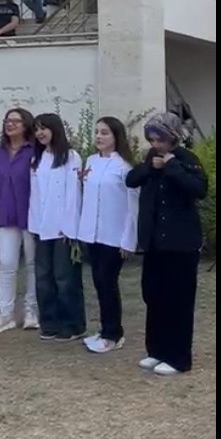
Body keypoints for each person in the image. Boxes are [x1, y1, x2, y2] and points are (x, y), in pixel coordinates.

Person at [126, 112, 208, 376]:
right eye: (151, 139)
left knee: (178, 301)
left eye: (159, 139)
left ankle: (179, 358)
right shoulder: (151, 159)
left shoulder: (186, 159)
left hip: (180, 244)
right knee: (154, 296)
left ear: (172, 138)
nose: (155, 144)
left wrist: (172, 166)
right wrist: (151, 167)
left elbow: (199, 189)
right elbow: (131, 179)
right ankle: (157, 351)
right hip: (154, 244)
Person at [78, 117, 139, 354]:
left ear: (116, 136)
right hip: (93, 234)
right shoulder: (91, 161)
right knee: (98, 283)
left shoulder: (124, 167)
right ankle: (105, 329)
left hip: (115, 236)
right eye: (96, 132)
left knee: (107, 282)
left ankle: (113, 334)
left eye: (104, 133)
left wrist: (128, 240)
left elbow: (132, 207)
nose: (98, 136)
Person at [29, 113, 86, 342]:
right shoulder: (37, 159)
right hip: (41, 227)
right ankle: (49, 322)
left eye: (44, 128)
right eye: (36, 129)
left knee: (65, 278)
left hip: (63, 229)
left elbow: (73, 195)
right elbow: (35, 196)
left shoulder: (70, 157)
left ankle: (72, 324)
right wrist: (34, 225)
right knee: (44, 278)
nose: (40, 133)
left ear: (55, 130)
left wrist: (69, 227)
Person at [0, 108, 37, 333]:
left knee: (32, 265)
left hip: (30, 216)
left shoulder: (35, 152)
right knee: (6, 264)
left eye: (16, 121)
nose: (10, 124)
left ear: (26, 125)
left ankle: (31, 311)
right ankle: (5, 313)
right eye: (7, 120)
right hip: (6, 215)